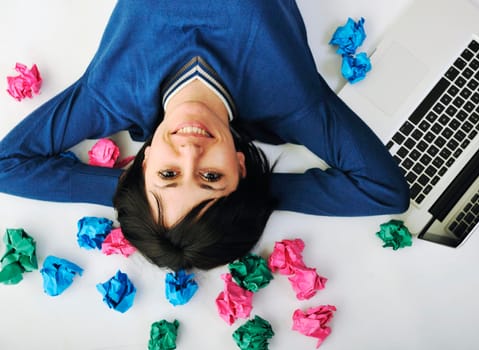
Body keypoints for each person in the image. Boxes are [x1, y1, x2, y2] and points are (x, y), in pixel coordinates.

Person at [0, 0, 409, 270]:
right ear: (240, 167)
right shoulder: (287, 96)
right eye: (211, 178)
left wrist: (135, 196)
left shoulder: (112, 92)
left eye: (168, 175)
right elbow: (382, 190)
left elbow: (7, 166)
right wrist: (252, 197)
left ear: (139, 168)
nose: (191, 152)